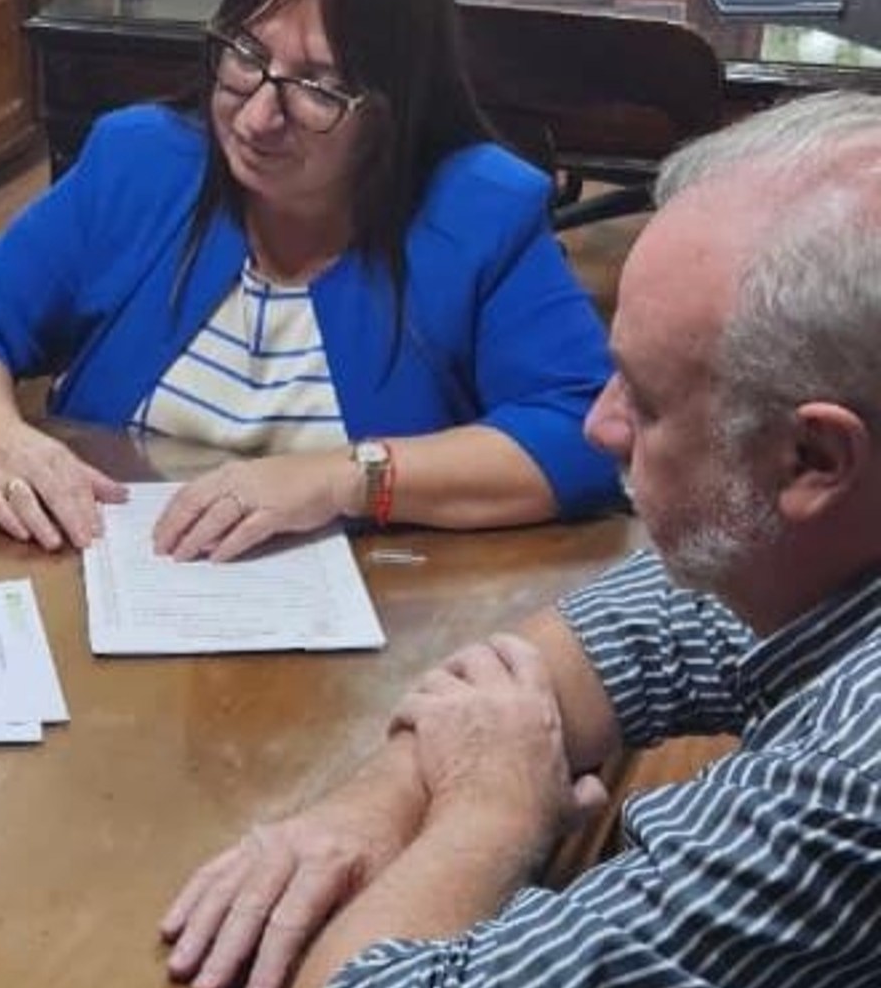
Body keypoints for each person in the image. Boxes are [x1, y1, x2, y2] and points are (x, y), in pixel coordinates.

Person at [158, 90, 881, 988]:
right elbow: (643, 626)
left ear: (814, 459)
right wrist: (373, 806)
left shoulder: (854, 782)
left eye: (646, 401)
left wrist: (491, 816)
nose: (600, 426)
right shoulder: (825, 545)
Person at [0, 0, 620, 560]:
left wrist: (341, 478)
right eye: (246, 55)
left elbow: (582, 435)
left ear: (397, 105)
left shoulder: (480, 213)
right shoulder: (140, 163)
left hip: (379, 626)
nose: (258, 117)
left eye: (318, 87)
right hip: (120, 585)